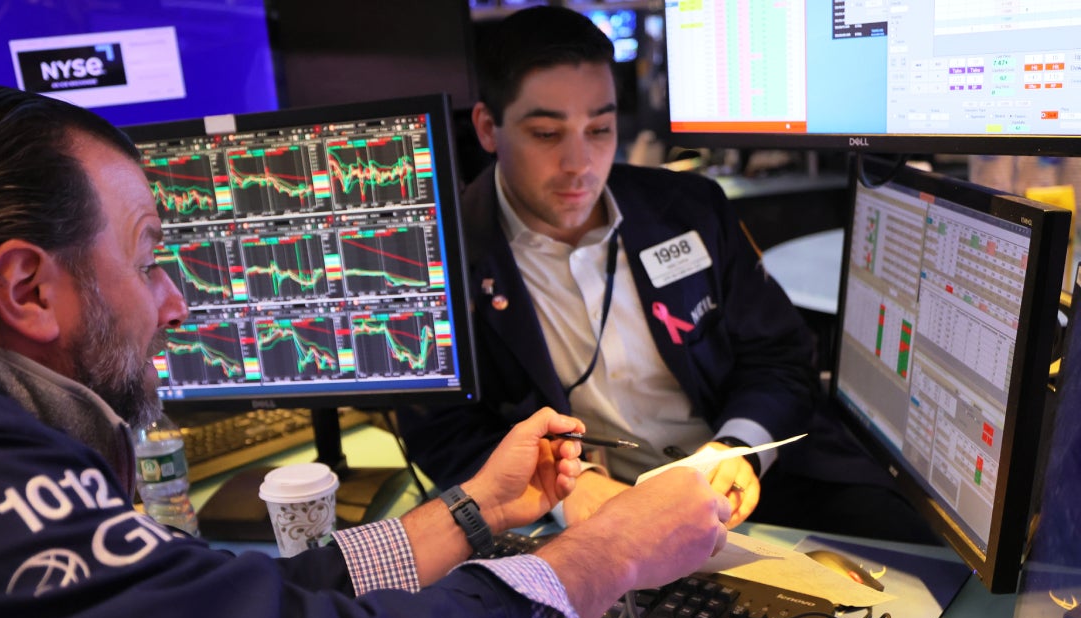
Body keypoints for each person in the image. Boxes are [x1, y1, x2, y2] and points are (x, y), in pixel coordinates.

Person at [0, 83, 731, 618]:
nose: (177, 302)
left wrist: (475, 509)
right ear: (27, 288)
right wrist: (606, 555)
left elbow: (223, 617)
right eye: (147, 257)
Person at [398, 6, 936, 543]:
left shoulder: (688, 207)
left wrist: (736, 449)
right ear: (489, 128)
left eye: (601, 128)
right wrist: (570, 490)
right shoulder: (435, 257)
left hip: (752, 484)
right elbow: (442, 433)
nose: (580, 163)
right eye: (546, 133)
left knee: (911, 546)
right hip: (587, 518)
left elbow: (781, 357)